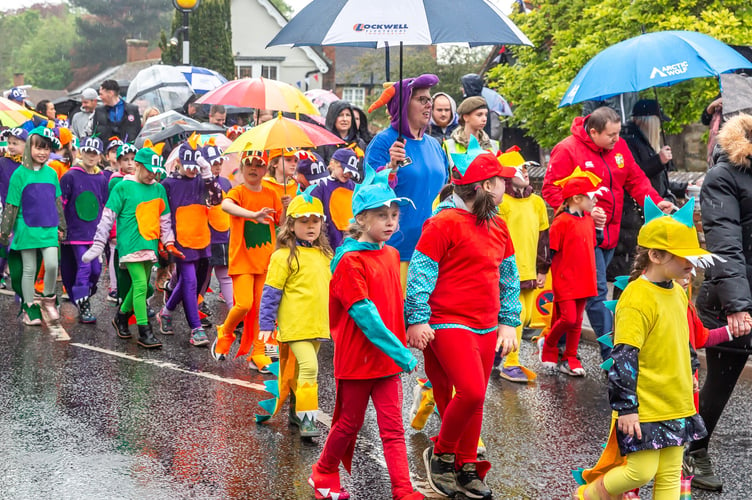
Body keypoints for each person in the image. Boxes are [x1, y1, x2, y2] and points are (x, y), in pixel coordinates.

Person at [573, 198, 715, 500]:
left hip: (676, 402)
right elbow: (624, 357)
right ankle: (590, 495)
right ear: (656, 255)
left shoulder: (677, 291)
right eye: (683, 257)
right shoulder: (636, 298)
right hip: (646, 406)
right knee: (641, 471)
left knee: (668, 475)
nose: (690, 263)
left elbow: (681, 341)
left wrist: (690, 376)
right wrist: (626, 408)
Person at [405, 136, 520, 499]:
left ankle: (467, 466)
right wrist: (417, 318)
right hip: (446, 321)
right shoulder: (442, 223)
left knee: (477, 397)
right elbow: (421, 273)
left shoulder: (499, 225)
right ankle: (440, 454)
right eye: (501, 179)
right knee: (470, 392)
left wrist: (509, 321)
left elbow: (509, 276)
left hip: (486, 324)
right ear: (486, 186)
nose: (508, 183)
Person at [309, 167, 421, 500]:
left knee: (392, 428)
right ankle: (323, 471)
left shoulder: (390, 254)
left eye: (395, 215)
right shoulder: (349, 261)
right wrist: (400, 352)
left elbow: (393, 302)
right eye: (382, 215)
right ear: (360, 218)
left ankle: (403, 491)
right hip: (359, 358)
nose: (391, 222)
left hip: (388, 359)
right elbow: (364, 314)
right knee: (348, 424)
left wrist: (414, 326)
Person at [542, 106, 673, 361]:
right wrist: (582, 216)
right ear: (593, 132)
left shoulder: (620, 147)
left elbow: (635, 180)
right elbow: (551, 190)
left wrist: (657, 202)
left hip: (611, 234)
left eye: (617, 133)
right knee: (597, 293)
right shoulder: (567, 149)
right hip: (582, 237)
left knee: (579, 296)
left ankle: (555, 346)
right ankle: (611, 357)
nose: (617, 139)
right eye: (611, 135)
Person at [685, 113, 752, 491]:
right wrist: (738, 305)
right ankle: (695, 447)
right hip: (732, 297)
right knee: (721, 382)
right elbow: (725, 246)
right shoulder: (723, 176)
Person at [82, 142, 182, 348]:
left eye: (156, 173)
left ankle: (120, 317)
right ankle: (145, 331)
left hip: (150, 243)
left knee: (144, 287)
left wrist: (169, 243)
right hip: (129, 244)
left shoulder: (159, 189)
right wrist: (99, 243)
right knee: (138, 285)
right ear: (138, 165)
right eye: (149, 171)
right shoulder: (122, 187)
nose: (152, 176)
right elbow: (108, 216)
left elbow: (164, 220)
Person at [255, 189, 333, 438]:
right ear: (291, 225)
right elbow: (271, 291)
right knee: (310, 368)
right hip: (296, 325)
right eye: (303, 221)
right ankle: (308, 421)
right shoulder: (282, 256)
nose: (310, 226)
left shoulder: (326, 255)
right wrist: (266, 323)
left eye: (315, 221)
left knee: (301, 373)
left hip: (319, 325)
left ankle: (295, 412)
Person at [365, 74, 449, 286]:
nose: (428, 104)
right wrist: (391, 167)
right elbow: (370, 194)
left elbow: (445, 193)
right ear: (403, 105)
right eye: (421, 99)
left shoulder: (435, 145)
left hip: (434, 250)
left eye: (429, 99)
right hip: (396, 251)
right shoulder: (383, 143)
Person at [210, 150, 287, 372]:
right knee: (244, 304)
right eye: (249, 164)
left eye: (259, 164)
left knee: (264, 309)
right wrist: (252, 215)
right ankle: (225, 331)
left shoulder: (272, 193)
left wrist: (286, 206)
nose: (253, 168)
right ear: (242, 168)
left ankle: (259, 353)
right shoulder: (238, 191)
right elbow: (226, 206)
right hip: (242, 260)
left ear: (266, 169)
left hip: (265, 261)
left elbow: (280, 222)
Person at [0, 127, 67, 338]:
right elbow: (11, 205)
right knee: (28, 268)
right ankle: (30, 308)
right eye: (38, 148)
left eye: (46, 149)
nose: (42, 153)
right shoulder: (19, 174)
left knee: (53, 263)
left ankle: (48, 299)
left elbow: (57, 201)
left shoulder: (52, 173)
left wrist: (62, 226)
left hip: (48, 227)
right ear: (29, 147)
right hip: (26, 227)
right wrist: (5, 232)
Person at [609, 99, 687, 281]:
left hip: (649, 210)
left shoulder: (646, 142)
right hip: (633, 216)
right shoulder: (628, 142)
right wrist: (658, 161)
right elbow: (632, 177)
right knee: (629, 272)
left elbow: (658, 181)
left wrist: (682, 188)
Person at [539, 169, 605, 376]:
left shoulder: (587, 219)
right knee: (568, 319)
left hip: (585, 278)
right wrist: (542, 272)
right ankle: (548, 344)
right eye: (591, 197)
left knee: (576, 322)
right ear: (577, 198)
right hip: (566, 279)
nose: (595, 201)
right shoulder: (561, 222)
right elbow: (549, 250)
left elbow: (594, 244)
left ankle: (571, 356)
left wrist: (600, 228)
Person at [158, 135, 222, 346]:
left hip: (201, 237)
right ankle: (195, 328)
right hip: (180, 240)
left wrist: (206, 174)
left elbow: (216, 199)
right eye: (189, 166)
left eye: (196, 166)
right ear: (178, 163)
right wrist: (165, 240)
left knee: (188, 280)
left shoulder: (201, 180)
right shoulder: (168, 183)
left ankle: (166, 312)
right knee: (190, 280)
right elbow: (163, 214)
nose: (192, 170)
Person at [494, 147, 550, 382]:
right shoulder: (502, 202)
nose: (525, 172)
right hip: (510, 271)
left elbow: (543, 238)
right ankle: (511, 362)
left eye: (526, 168)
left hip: (530, 269)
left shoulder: (537, 202)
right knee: (515, 316)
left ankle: (497, 354)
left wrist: (542, 268)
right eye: (519, 169)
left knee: (526, 317)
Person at [60, 136, 109, 324]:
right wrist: (60, 227)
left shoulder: (101, 178)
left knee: (95, 270)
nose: (91, 156)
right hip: (75, 232)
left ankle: (83, 293)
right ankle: (84, 305)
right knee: (84, 265)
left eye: (95, 153)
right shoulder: (70, 176)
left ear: (100, 157)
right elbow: (61, 204)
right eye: (88, 152)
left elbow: (104, 205)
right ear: (81, 152)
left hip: (94, 232)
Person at [201, 138, 234, 308]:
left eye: (220, 162)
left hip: (223, 236)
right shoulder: (199, 183)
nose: (218, 166)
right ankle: (198, 305)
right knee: (203, 276)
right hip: (205, 238)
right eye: (213, 163)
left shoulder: (226, 182)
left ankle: (233, 311)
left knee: (225, 275)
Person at [310, 148, 358, 249]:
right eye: (343, 168)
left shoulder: (355, 187)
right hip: (328, 239)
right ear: (332, 163)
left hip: (350, 240)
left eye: (350, 172)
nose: (347, 174)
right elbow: (312, 210)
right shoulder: (321, 186)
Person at [0, 127, 26, 292]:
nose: (11, 146)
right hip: (4, 209)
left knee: (18, 245)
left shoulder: (28, 165)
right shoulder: (2, 162)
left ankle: (20, 278)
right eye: (9, 143)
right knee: (4, 244)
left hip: (23, 212)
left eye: (15, 143)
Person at [444, 96, 499, 168]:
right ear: (465, 117)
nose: (484, 119)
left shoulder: (493, 144)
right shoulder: (450, 145)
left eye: (486, 115)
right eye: (479, 115)